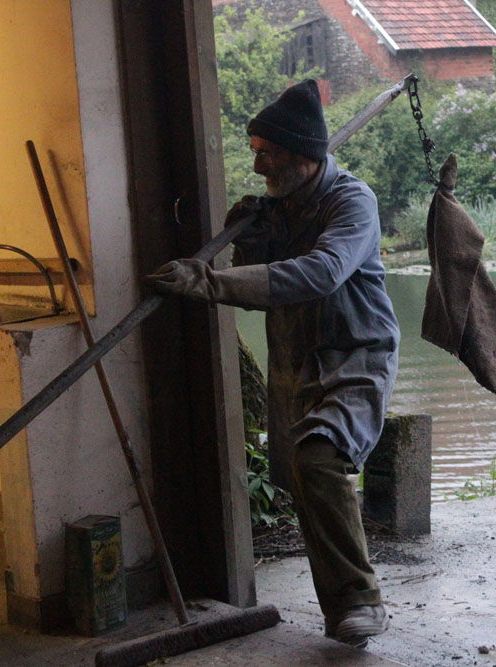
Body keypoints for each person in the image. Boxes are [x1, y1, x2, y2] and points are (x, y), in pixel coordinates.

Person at [144, 79, 400, 648]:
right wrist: (252, 241)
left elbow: (323, 272)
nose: (259, 166)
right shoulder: (277, 206)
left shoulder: (352, 202)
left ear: (306, 155)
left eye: (270, 153)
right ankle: (344, 603)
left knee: (319, 459)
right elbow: (264, 273)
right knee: (302, 479)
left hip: (355, 353)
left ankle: (359, 601)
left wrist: (211, 282)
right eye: (255, 151)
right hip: (293, 357)